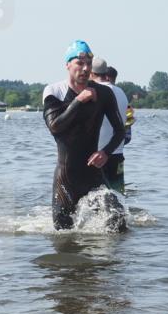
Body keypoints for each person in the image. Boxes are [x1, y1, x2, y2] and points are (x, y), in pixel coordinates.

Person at [43, 41, 125, 230]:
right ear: (68, 65)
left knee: (119, 224)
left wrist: (105, 152)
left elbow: (120, 130)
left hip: (93, 174)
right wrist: (79, 100)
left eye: (89, 63)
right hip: (66, 178)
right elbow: (55, 126)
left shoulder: (104, 93)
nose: (85, 68)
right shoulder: (54, 91)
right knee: (63, 233)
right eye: (80, 63)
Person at [92, 60, 130, 194]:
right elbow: (128, 124)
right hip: (117, 154)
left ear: (91, 73)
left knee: (92, 199)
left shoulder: (93, 91)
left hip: (96, 155)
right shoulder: (121, 93)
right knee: (118, 196)